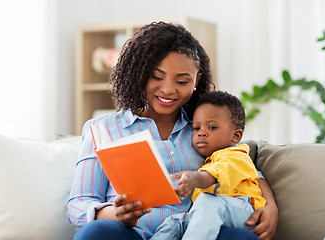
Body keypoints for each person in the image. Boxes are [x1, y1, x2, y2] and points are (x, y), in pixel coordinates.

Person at [67, 21, 278, 240]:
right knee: (95, 233)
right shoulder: (101, 129)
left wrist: (271, 207)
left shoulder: (203, 129)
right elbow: (78, 204)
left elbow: (245, 170)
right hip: (130, 233)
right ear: (139, 73)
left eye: (182, 81)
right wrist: (116, 214)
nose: (168, 89)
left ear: (197, 81)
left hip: (193, 233)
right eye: (157, 77)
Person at [151, 90, 266, 240]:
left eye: (211, 127)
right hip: (214, 213)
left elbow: (213, 175)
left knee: (208, 201)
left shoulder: (236, 155)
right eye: (197, 128)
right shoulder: (210, 158)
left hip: (244, 210)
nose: (202, 133)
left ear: (235, 136)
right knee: (175, 222)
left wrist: (194, 179)